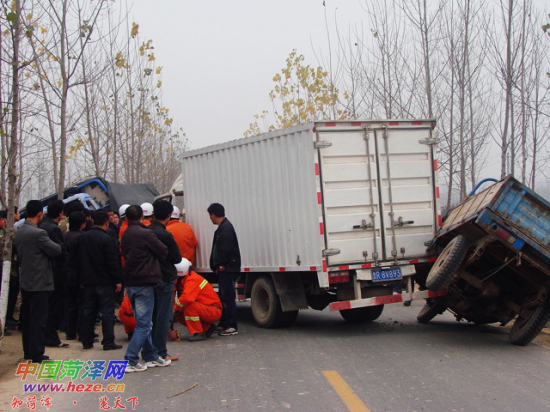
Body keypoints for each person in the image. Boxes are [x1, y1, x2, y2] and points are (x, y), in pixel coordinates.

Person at [121, 204, 170, 372]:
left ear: (126, 218)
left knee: (143, 323)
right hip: (145, 282)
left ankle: (151, 356)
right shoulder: (146, 233)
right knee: (144, 325)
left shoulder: (126, 233)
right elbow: (163, 251)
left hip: (131, 283)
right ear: (142, 216)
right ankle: (130, 359)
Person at [14, 200, 63, 363]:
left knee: (27, 318)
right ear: (40, 214)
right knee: (39, 319)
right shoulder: (38, 234)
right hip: (40, 281)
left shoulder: (19, 231)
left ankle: (28, 351)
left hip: (26, 280)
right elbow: (56, 250)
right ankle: (37, 353)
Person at [78, 211, 123, 350]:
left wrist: (82, 279)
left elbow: (79, 260)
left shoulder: (83, 238)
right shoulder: (106, 238)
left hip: (89, 282)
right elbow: (112, 261)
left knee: (88, 311)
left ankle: (86, 341)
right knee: (108, 312)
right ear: (106, 223)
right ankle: (108, 341)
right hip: (105, 282)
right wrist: (117, 280)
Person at [148, 200, 182, 361]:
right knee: (162, 317)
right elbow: (176, 258)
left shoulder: (145, 232)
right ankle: (161, 352)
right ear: (169, 215)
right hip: (165, 277)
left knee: (151, 317)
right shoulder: (165, 235)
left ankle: (149, 352)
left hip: (148, 278)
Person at [208, 203, 241, 336]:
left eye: (210, 215)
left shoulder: (226, 228)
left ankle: (232, 326)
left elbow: (225, 249)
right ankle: (224, 323)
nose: (210, 218)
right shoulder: (222, 228)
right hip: (224, 268)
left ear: (213, 215)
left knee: (227, 297)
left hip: (227, 269)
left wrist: (221, 264)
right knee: (222, 296)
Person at [39, 200, 69, 348]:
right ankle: (51, 338)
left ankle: (48, 336)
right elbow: (60, 251)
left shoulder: (43, 225)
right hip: (55, 272)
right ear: (60, 213)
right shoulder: (53, 229)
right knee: (52, 307)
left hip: (47, 271)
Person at [174, 258, 221, 341]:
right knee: (179, 315)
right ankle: (207, 328)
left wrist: (175, 308)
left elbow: (187, 298)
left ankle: (198, 332)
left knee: (189, 306)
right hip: (209, 308)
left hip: (213, 311)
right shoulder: (187, 278)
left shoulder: (192, 279)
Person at [63, 211, 87, 341]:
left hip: (67, 274)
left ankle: (70, 331)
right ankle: (81, 331)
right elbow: (82, 259)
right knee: (82, 304)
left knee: (71, 304)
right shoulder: (81, 237)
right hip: (78, 275)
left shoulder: (65, 236)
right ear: (82, 224)